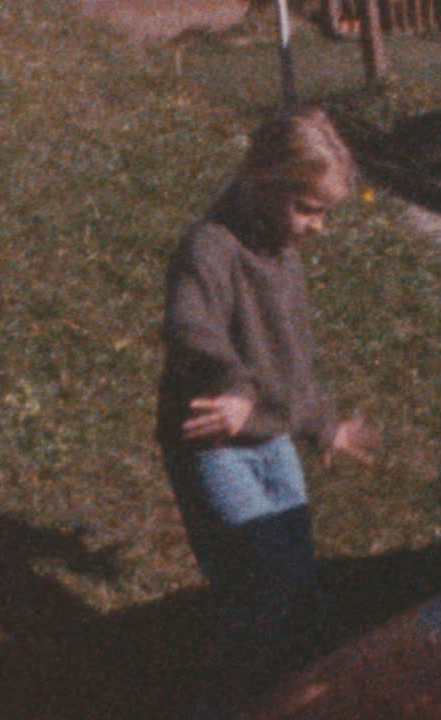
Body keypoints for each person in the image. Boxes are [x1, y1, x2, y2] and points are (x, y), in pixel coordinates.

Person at [156, 104, 379, 718]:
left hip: (273, 442)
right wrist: (231, 385)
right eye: (307, 208)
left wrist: (323, 425)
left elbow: (290, 362)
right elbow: (188, 326)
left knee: (295, 582)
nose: (317, 227)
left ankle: (291, 692)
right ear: (262, 182)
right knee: (260, 582)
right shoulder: (211, 247)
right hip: (215, 446)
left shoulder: (281, 253)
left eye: (326, 213)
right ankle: (230, 699)